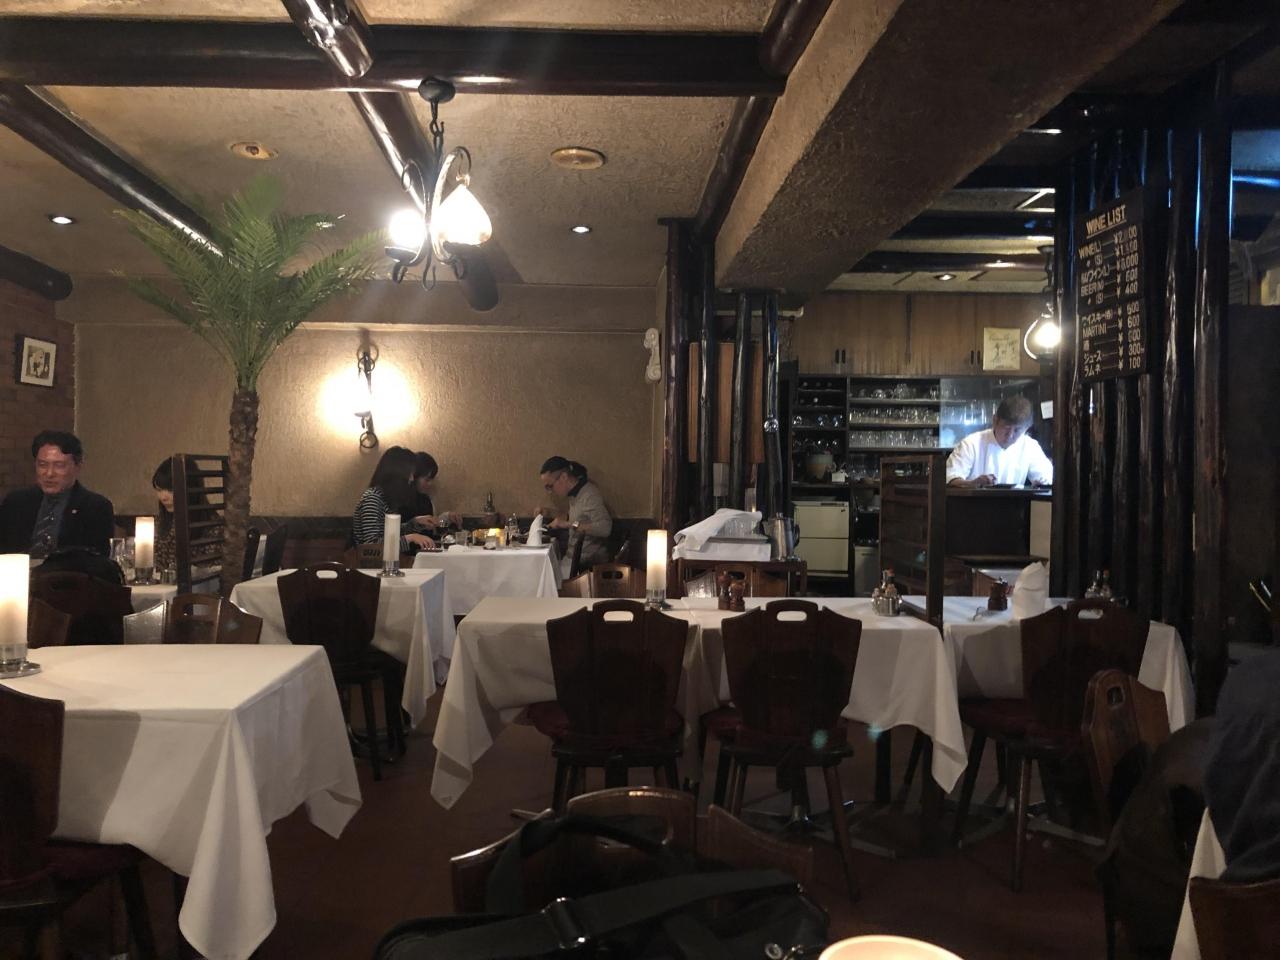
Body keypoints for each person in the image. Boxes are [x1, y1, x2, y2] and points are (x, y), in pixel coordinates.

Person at [0, 430, 114, 557]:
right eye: (42, 465)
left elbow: (98, 560)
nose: (49, 473)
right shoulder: (16, 502)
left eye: (59, 466)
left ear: (78, 466)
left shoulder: (95, 507)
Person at [945, 395, 1053, 488]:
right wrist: (973, 483)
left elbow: (1047, 478)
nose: (1010, 435)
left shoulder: (1030, 447)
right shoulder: (971, 444)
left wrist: (1042, 483)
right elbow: (950, 479)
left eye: (1017, 430)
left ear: (1026, 429)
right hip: (972, 504)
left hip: (1015, 504)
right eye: (1006, 428)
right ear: (995, 421)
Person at [353, 446, 435, 552]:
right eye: (410, 474)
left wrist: (414, 523)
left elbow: (390, 534)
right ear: (398, 475)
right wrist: (410, 538)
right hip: (370, 563)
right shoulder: (372, 499)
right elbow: (372, 547)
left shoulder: (386, 499)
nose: (411, 479)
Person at [539, 456, 613, 568]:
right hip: (572, 560)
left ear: (564, 477)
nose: (550, 492)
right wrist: (549, 512)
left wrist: (569, 525)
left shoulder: (589, 494)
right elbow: (578, 517)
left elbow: (605, 528)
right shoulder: (575, 495)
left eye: (550, 486)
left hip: (585, 565)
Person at [150, 458, 222, 572]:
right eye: (159, 490)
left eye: (171, 490)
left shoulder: (212, 527)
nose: (163, 497)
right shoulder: (160, 522)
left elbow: (211, 572)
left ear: (191, 489)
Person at [408, 451, 460, 534]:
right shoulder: (401, 500)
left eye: (432, 480)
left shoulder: (426, 500)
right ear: (414, 476)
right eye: (427, 480)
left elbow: (434, 524)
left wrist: (447, 517)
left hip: (428, 542)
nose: (430, 484)